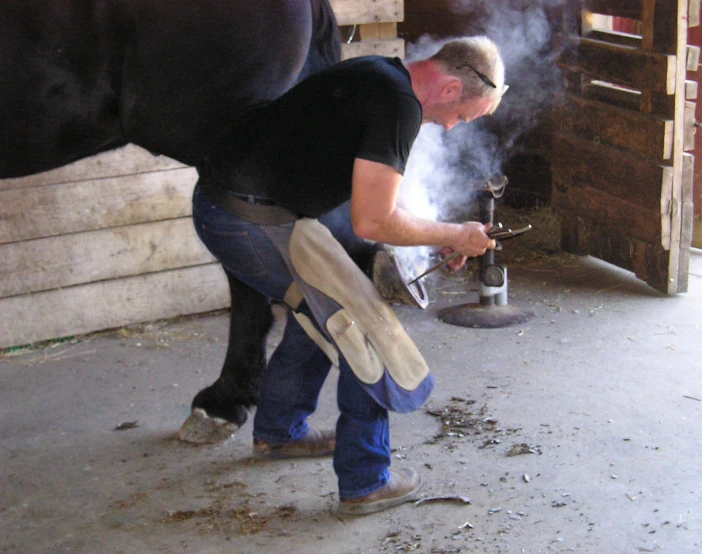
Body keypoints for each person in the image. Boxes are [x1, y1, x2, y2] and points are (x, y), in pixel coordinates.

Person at [191, 36, 506, 515]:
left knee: (318, 308)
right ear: (446, 89)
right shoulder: (399, 107)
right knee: (359, 324)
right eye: (461, 116)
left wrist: (438, 236)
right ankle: (365, 480)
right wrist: (456, 234)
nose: (449, 127)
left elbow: (372, 196)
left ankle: (279, 431)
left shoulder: (381, 74)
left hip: (232, 204)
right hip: (248, 221)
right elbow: (373, 220)